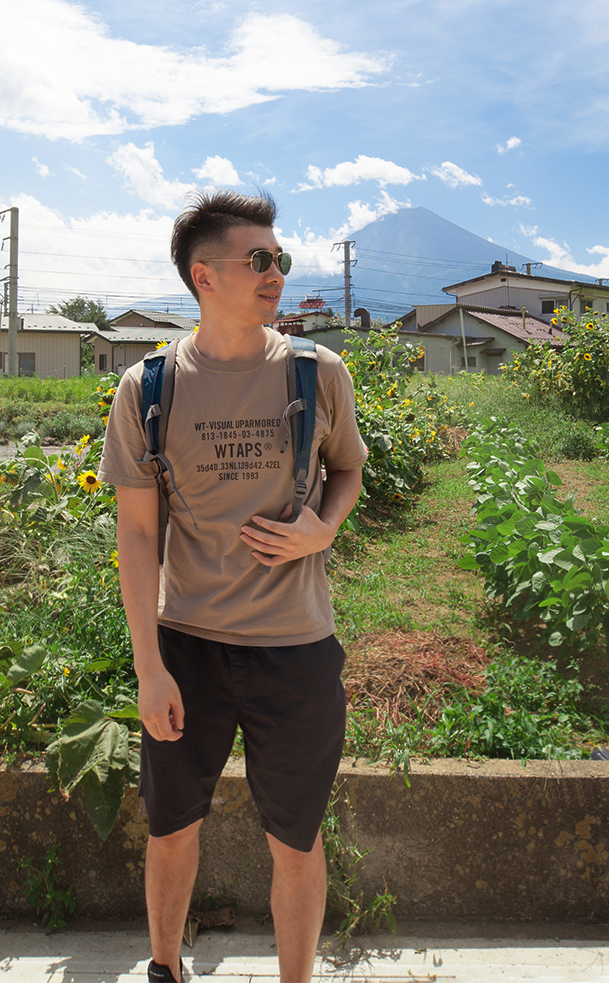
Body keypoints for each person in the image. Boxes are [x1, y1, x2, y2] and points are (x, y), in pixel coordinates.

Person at [100, 190, 367, 983]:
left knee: (297, 837)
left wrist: (325, 525)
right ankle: (165, 970)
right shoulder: (148, 389)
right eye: (259, 259)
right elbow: (139, 535)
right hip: (190, 646)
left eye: (279, 257)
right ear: (203, 276)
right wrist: (150, 668)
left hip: (299, 650)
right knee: (172, 827)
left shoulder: (319, 372)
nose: (276, 272)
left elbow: (348, 469)